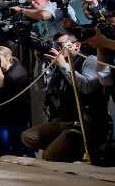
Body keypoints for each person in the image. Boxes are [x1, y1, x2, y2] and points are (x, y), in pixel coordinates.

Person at [22, 33, 108, 163]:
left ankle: (72, 150)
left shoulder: (89, 60)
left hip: (85, 123)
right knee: (28, 137)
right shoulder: (61, 62)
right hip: (64, 120)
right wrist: (42, 60)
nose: (57, 49)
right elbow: (49, 90)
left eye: (60, 45)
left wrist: (63, 65)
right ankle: (64, 147)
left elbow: (87, 86)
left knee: (49, 156)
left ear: (77, 46)